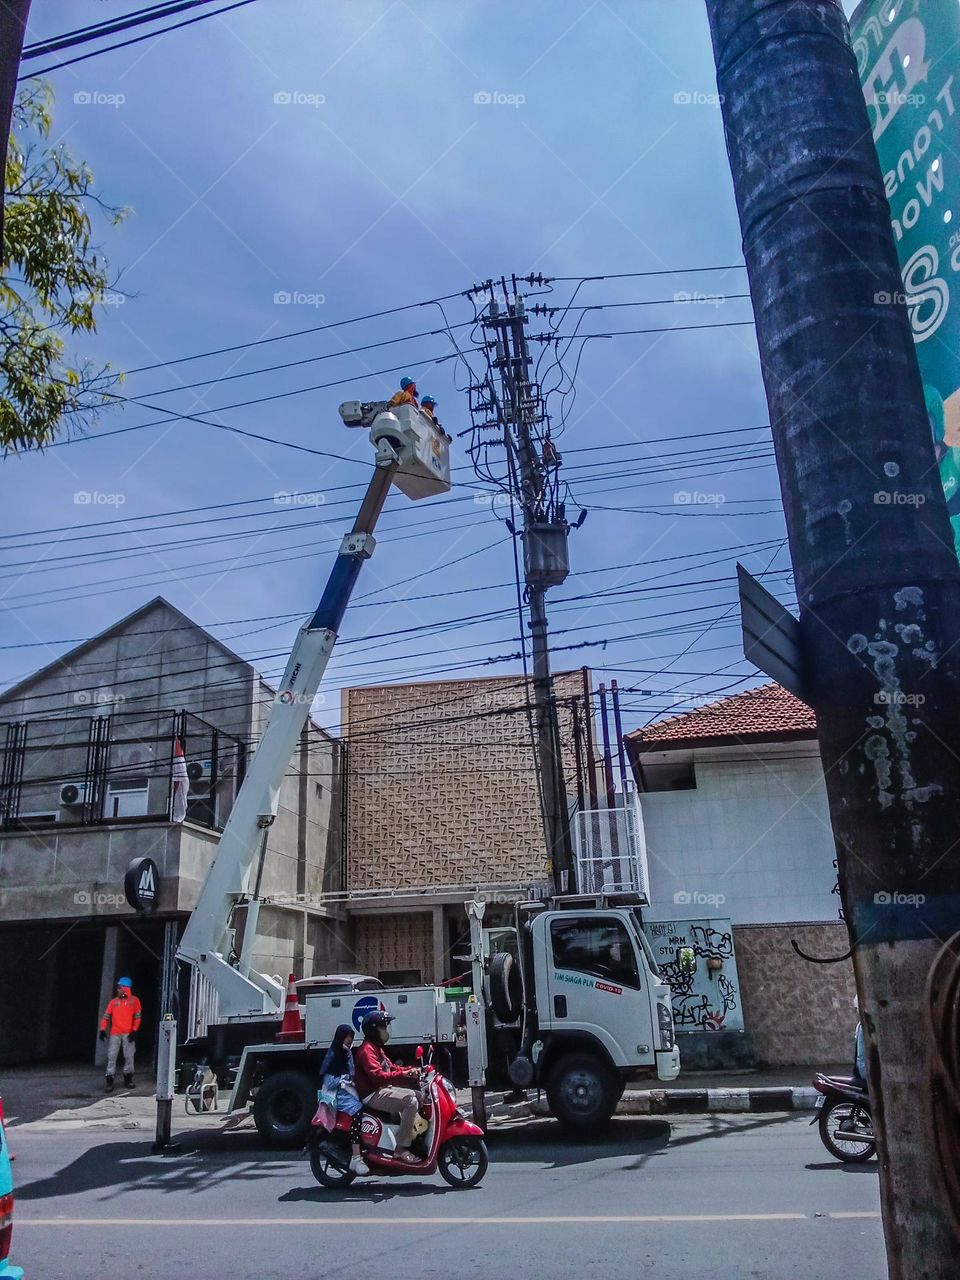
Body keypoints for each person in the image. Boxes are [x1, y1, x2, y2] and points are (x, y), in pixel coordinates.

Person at [353, 1011, 422, 1163]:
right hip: (372, 1094)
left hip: (383, 1088)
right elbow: (378, 1076)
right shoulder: (366, 1050)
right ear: (373, 1030)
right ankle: (401, 1149)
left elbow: (391, 1068)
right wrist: (403, 1075)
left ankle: (411, 1135)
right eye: (383, 1026)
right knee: (410, 1102)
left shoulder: (376, 1047)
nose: (387, 1029)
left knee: (419, 1096)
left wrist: (410, 1070)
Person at [320, 1023, 365, 1176]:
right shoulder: (333, 1055)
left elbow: (352, 1071)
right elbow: (329, 1081)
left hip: (348, 1089)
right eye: (347, 1037)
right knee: (358, 1112)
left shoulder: (347, 1053)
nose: (349, 1040)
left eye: (351, 1037)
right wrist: (344, 1081)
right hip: (337, 1093)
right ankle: (356, 1156)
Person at [98, 977, 142, 1092]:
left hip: (128, 1033)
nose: (117, 990)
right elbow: (106, 1016)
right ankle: (109, 1080)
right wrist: (102, 1029)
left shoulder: (134, 1001)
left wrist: (134, 1030)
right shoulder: (114, 1002)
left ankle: (128, 1079)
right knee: (112, 1056)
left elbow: (138, 1017)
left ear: (125, 988)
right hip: (115, 1033)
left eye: (119, 987)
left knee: (129, 1056)